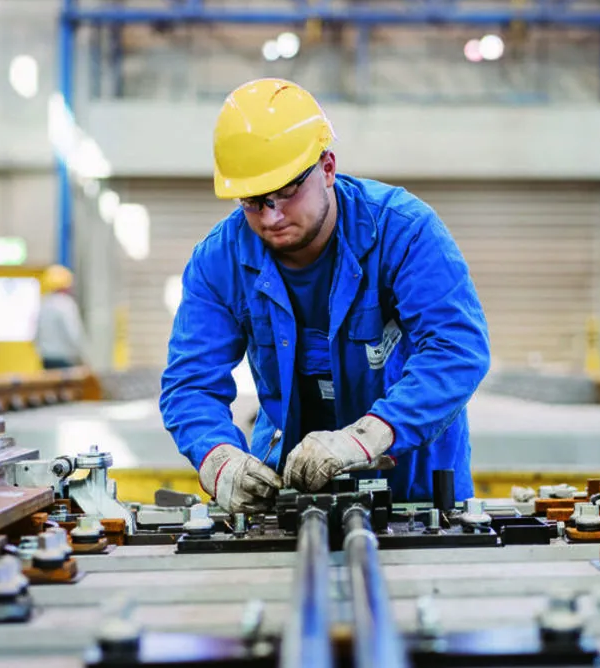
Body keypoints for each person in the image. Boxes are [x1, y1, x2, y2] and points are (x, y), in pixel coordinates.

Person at [159, 78, 491, 513]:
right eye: (254, 201)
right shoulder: (219, 261)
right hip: (286, 481)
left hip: (413, 481)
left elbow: (457, 349)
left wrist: (370, 435)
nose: (272, 216)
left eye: (287, 191)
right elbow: (190, 383)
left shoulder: (403, 232)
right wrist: (218, 460)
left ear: (328, 168)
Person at [34, 264, 87, 371]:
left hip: (46, 359)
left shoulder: (44, 304)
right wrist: (84, 356)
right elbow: (73, 334)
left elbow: (36, 334)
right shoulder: (66, 304)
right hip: (65, 359)